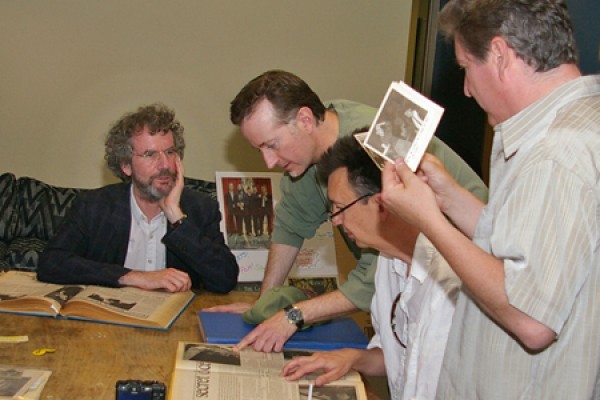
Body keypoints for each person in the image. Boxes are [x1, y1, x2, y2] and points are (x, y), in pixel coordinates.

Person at [378, 1, 600, 398]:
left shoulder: (556, 151)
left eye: (466, 68)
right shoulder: (576, 121)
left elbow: (531, 320)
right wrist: (450, 199)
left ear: (499, 55)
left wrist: (430, 221)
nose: (465, 87)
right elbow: (531, 249)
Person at [208, 70, 487, 352]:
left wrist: (293, 316)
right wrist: (263, 307)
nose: (268, 162)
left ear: (304, 120)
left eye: (271, 145)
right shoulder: (308, 151)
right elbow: (290, 225)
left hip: (468, 283)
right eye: (260, 150)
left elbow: (373, 273)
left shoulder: (374, 142)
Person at [282, 136, 460, 400]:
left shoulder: (450, 284)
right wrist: (353, 358)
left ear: (384, 202)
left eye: (341, 208)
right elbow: (399, 357)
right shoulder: (387, 261)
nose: (336, 221)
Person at [38, 103, 239, 293]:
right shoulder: (94, 206)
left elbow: (225, 280)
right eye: (150, 154)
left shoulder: (200, 208)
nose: (164, 165)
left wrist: (177, 218)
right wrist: (132, 277)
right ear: (126, 166)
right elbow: (51, 263)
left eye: (169, 152)